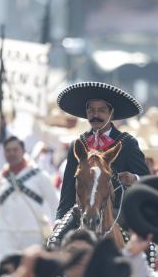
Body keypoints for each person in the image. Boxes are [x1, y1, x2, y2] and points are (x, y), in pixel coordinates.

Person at [56, 82, 149, 220]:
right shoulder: (78, 144)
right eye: (91, 110)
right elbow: (68, 189)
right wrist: (59, 219)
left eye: (101, 110)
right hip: (82, 214)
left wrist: (134, 178)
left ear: (111, 114)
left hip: (119, 214)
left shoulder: (127, 143)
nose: (95, 115)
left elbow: (147, 179)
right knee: (56, 240)